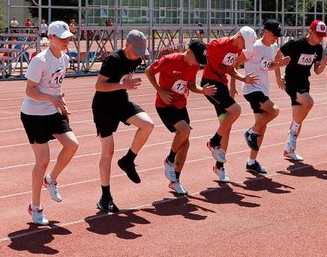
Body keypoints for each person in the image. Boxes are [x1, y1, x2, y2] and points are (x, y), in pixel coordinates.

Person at [20, 20, 80, 226]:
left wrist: (61, 102)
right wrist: (52, 99)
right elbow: (30, 90)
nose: (66, 41)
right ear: (50, 38)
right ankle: (35, 207)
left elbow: (55, 87)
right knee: (42, 160)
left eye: (68, 38)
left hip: (53, 110)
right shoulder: (40, 60)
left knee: (72, 145)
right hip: (34, 113)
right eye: (62, 38)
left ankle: (51, 179)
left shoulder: (64, 58)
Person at [91, 30, 155, 213]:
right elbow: (99, 86)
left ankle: (128, 160)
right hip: (103, 107)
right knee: (108, 151)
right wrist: (122, 85)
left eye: (141, 51)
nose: (138, 55)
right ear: (127, 44)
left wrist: (124, 86)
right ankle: (105, 197)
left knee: (147, 125)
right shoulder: (113, 60)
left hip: (121, 102)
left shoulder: (137, 59)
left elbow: (124, 81)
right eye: (136, 50)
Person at [145, 40, 210, 196]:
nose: (197, 64)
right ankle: (170, 159)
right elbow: (149, 71)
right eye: (197, 59)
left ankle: (175, 181)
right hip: (164, 105)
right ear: (189, 52)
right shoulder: (169, 60)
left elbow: (192, 85)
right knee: (184, 130)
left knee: (185, 143)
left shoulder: (194, 65)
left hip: (180, 105)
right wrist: (160, 90)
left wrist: (203, 91)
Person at [199, 27, 260, 183]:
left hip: (222, 86)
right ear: (238, 36)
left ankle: (219, 166)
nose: (243, 48)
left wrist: (243, 79)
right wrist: (193, 84)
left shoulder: (237, 48)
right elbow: (197, 56)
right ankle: (213, 142)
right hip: (210, 84)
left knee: (227, 125)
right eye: (243, 44)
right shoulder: (217, 45)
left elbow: (230, 69)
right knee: (236, 110)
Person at [239, 20, 289, 175]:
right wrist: (237, 83)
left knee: (263, 126)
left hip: (263, 89)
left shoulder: (272, 47)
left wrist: (281, 65)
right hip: (251, 89)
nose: (276, 39)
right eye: (274, 35)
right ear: (266, 32)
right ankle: (250, 132)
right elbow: (234, 64)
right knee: (274, 111)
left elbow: (269, 66)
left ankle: (251, 162)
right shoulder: (253, 47)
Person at [277, 20, 327, 162]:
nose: (320, 38)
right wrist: (278, 77)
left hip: (304, 82)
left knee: (298, 117)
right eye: (318, 35)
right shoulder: (296, 44)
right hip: (291, 81)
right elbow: (277, 55)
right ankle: (292, 132)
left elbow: (317, 71)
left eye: (322, 36)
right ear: (310, 31)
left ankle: (290, 150)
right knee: (309, 102)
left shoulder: (318, 49)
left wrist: (323, 65)